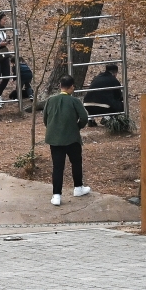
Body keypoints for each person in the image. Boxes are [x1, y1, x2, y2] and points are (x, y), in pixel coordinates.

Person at [42, 75, 90, 206]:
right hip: (72, 138)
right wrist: (77, 127)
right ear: (72, 87)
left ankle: (56, 195)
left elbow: (45, 119)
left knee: (58, 167)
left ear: (60, 86)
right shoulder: (74, 101)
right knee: (76, 162)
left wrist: (52, 129)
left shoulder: (50, 100)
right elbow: (84, 117)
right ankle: (78, 188)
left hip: (54, 139)